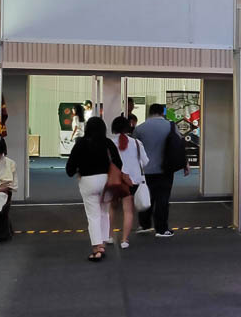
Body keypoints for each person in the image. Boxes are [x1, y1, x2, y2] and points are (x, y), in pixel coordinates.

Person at [66, 116, 122, 261]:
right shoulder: (108, 143)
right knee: (104, 213)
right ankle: (103, 244)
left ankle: (97, 248)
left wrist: (78, 171)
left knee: (93, 215)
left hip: (87, 182)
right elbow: (119, 163)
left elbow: (69, 169)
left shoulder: (81, 143)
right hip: (106, 181)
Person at [134, 104, 189, 238]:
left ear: (150, 112)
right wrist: (185, 163)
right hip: (165, 169)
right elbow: (179, 145)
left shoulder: (139, 128)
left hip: (145, 170)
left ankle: (144, 225)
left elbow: (135, 150)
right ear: (162, 112)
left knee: (146, 197)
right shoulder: (170, 126)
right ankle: (161, 229)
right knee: (162, 199)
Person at [109, 114, 149, 249]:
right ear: (127, 127)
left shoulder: (110, 143)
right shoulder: (137, 143)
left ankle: (109, 236)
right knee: (128, 211)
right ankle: (124, 240)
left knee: (112, 208)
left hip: (115, 180)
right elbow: (145, 161)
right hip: (132, 181)